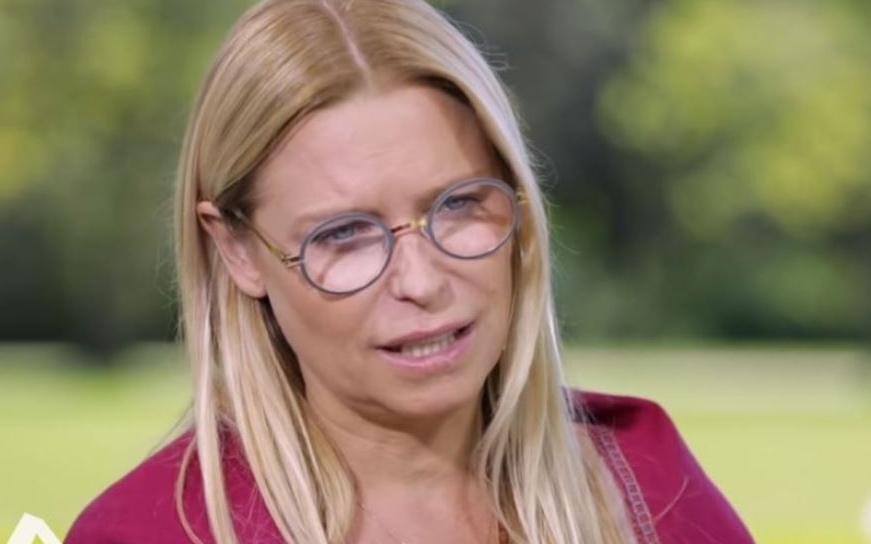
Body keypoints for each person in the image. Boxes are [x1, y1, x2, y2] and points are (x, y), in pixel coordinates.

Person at [65, 0, 755, 543]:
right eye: (344, 235)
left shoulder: (649, 491)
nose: (421, 283)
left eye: (459, 205)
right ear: (237, 251)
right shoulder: (147, 532)